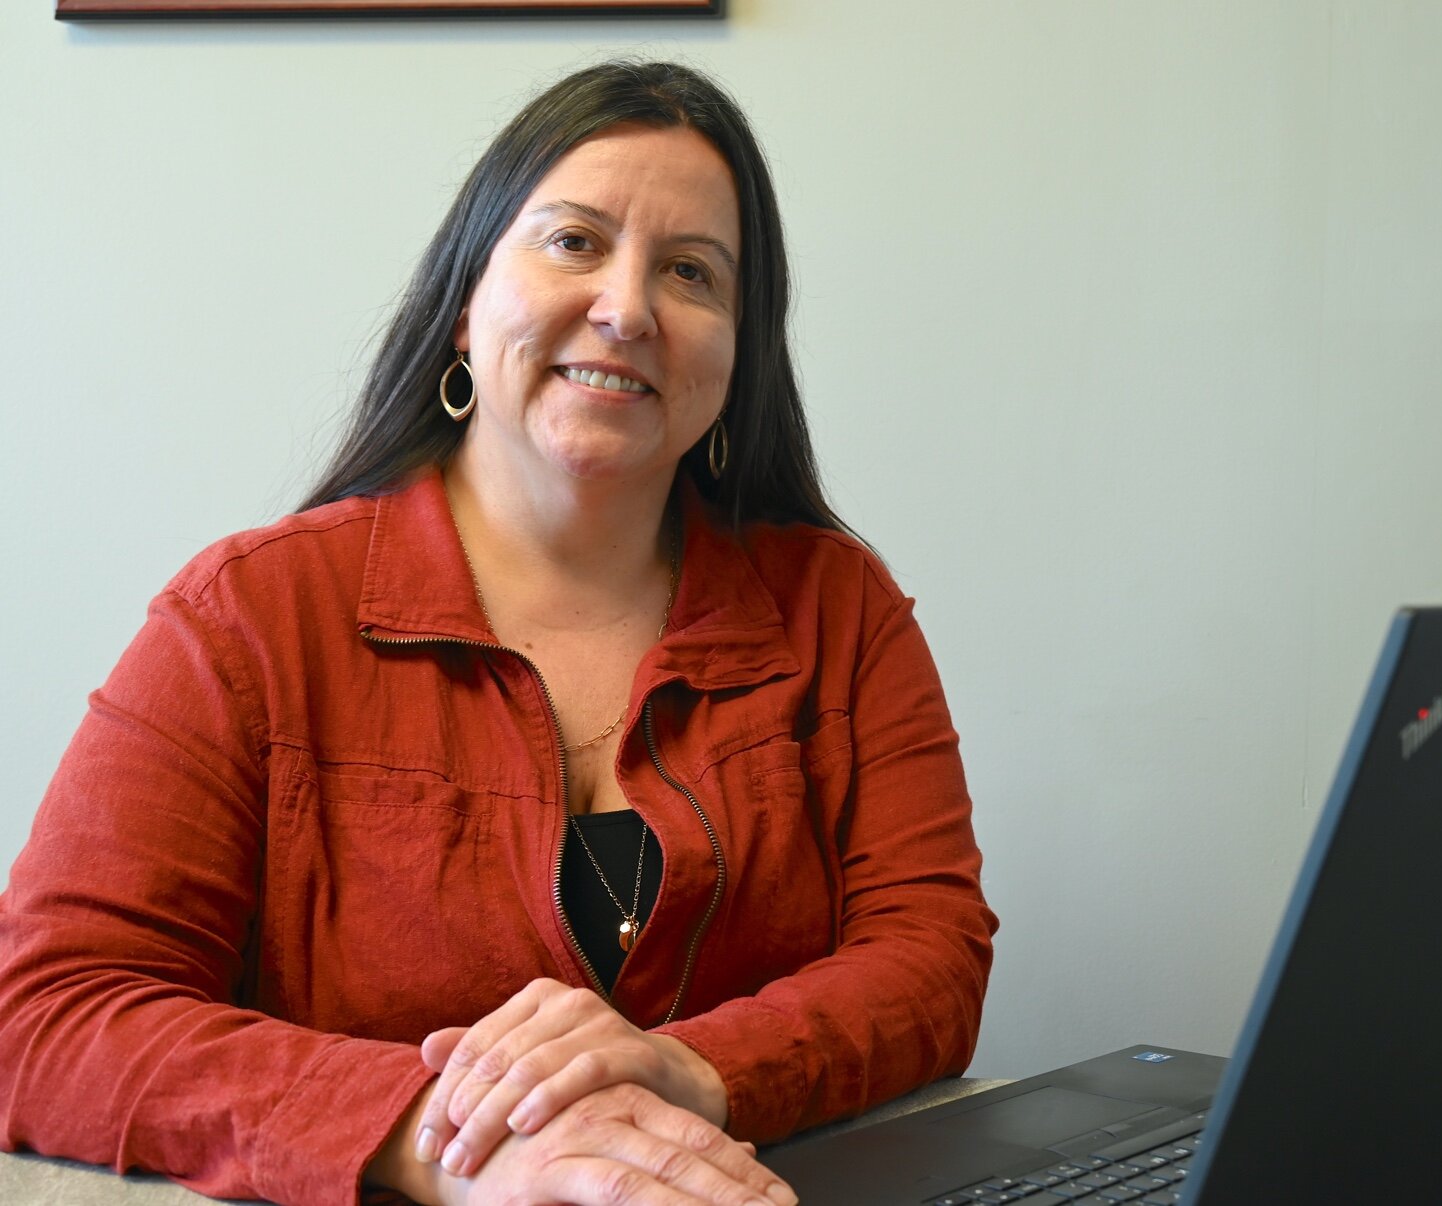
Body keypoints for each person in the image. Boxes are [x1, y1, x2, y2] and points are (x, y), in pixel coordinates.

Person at [0, 60, 996, 1206]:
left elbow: (931, 956)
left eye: (690, 272)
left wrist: (692, 1071)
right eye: (573, 241)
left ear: (738, 352)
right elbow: (44, 1015)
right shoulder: (248, 617)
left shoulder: (839, 605)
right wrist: (451, 1143)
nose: (626, 308)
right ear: (466, 303)